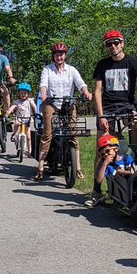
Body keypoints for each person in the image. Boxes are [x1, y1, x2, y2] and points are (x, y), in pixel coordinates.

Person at [92, 30, 137, 200]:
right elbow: (97, 92)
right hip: (107, 108)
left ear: (122, 43)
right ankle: (97, 190)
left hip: (127, 106)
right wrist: (101, 116)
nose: (113, 46)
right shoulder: (102, 64)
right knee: (102, 147)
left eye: (116, 42)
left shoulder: (132, 61)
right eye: (109, 44)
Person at [36, 42, 93, 183]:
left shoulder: (71, 70)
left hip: (68, 104)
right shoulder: (47, 70)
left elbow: (80, 83)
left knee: (73, 133)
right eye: (56, 54)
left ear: (65, 55)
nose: (59, 57)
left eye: (61, 54)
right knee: (47, 134)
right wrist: (43, 94)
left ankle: (77, 168)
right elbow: (43, 84)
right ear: (53, 56)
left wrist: (86, 92)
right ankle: (41, 168)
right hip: (52, 103)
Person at [85, 135, 136, 207]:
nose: (106, 154)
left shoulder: (126, 159)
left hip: (133, 186)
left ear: (116, 149)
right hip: (121, 190)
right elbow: (99, 180)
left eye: (107, 151)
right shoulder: (109, 166)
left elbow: (133, 172)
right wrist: (104, 164)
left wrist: (120, 172)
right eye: (103, 154)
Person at [5, 82, 37, 158]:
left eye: (25, 93)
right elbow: (13, 106)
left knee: (29, 137)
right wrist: (9, 111)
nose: (23, 94)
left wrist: (37, 113)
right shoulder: (17, 102)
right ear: (19, 93)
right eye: (22, 93)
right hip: (19, 118)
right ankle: (14, 134)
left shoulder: (30, 101)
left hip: (27, 119)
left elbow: (34, 107)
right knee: (16, 123)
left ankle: (29, 152)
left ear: (28, 94)